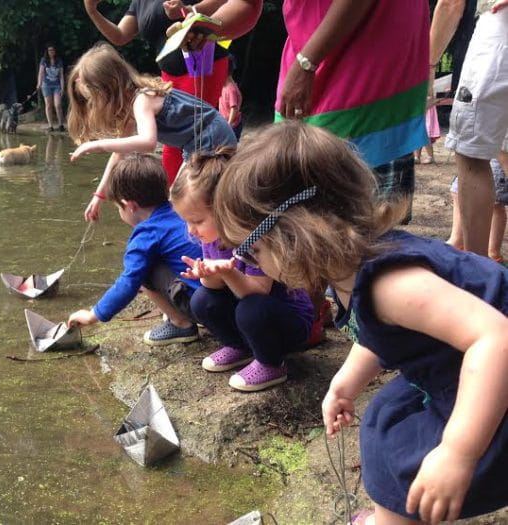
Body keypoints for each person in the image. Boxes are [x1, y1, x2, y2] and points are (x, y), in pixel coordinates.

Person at [212, 121, 508, 525]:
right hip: (452, 362)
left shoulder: (392, 285)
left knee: (403, 453)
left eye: (252, 251)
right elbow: (377, 330)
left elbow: (496, 338)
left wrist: (458, 452)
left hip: (492, 376)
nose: (251, 265)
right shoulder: (349, 269)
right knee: (384, 416)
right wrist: (345, 382)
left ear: (293, 235)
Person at [170, 148, 314, 391]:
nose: (191, 230)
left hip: (286, 318)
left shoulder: (255, 236)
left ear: (225, 209)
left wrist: (227, 272)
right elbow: (214, 288)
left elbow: (257, 291)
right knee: (202, 300)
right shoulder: (212, 237)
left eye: (197, 221)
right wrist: (207, 274)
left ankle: (272, 363)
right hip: (249, 310)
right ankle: (240, 346)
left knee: (250, 309)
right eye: (187, 221)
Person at [275, 0, 430, 216]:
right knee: (296, 212)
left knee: (355, 224)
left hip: (361, 69)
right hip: (309, 59)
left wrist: (307, 62)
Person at [67, 42, 236, 222]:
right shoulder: (131, 107)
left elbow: (148, 142)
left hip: (212, 137)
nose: (94, 106)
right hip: (196, 143)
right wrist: (99, 196)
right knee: (176, 199)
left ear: (108, 87)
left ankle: (210, 239)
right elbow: (119, 155)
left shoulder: (142, 99)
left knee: (188, 201)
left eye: (93, 99)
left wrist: (98, 145)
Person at [83, 0, 231, 183]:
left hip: (202, 65)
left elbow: (224, 6)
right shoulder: (139, 3)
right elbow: (120, 36)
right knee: (172, 143)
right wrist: (92, 10)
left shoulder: (141, 99)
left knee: (196, 137)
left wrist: (187, 10)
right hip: (168, 75)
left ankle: (199, 190)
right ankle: (171, 197)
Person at [67, 153, 203, 345]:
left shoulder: (147, 233)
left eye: (118, 208)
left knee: (142, 273)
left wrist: (93, 315)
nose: (119, 212)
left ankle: (181, 324)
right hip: (218, 295)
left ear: (130, 206)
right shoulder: (178, 208)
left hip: (201, 305)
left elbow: (128, 282)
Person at [430, 0, 508, 256]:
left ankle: (477, 271)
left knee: (472, 153)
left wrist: (428, 64)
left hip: (499, 33)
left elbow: (452, 3)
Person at [448, 153, 508, 264]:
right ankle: (457, 241)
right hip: (480, 149)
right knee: (458, 191)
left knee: (495, 202)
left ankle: (493, 254)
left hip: (498, 150)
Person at [36, 44, 65, 132]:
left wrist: (63, 87)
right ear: (47, 51)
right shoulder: (44, 60)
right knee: (48, 106)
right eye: (49, 50)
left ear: (55, 51)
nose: (51, 52)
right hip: (46, 85)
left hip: (56, 85)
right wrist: (39, 83)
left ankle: (61, 125)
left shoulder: (59, 61)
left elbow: (61, 76)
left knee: (58, 105)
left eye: (53, 50)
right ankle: (50, 126)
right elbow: (41, 73)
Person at [218, 55, 243, 141]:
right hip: (226, 123)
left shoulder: (230, 89)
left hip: (232, 126)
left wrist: (229, 124)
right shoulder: (224, 87)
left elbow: (234, 108)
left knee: (229, 147)